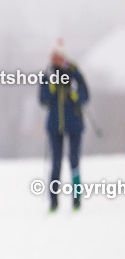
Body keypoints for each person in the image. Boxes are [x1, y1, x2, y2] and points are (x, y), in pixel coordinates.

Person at [39, 40, 89, 212]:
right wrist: (53, 85)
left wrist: (73, 91)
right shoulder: (48, 74)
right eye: (53, 56)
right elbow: (43, 99)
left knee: (74, 161)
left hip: (75, 125)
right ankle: (53, 201)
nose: (55, 59)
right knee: (56, 163)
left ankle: (76, 199)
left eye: (58, 56)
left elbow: (85, 96)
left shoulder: (74, 72)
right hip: (54, 126)